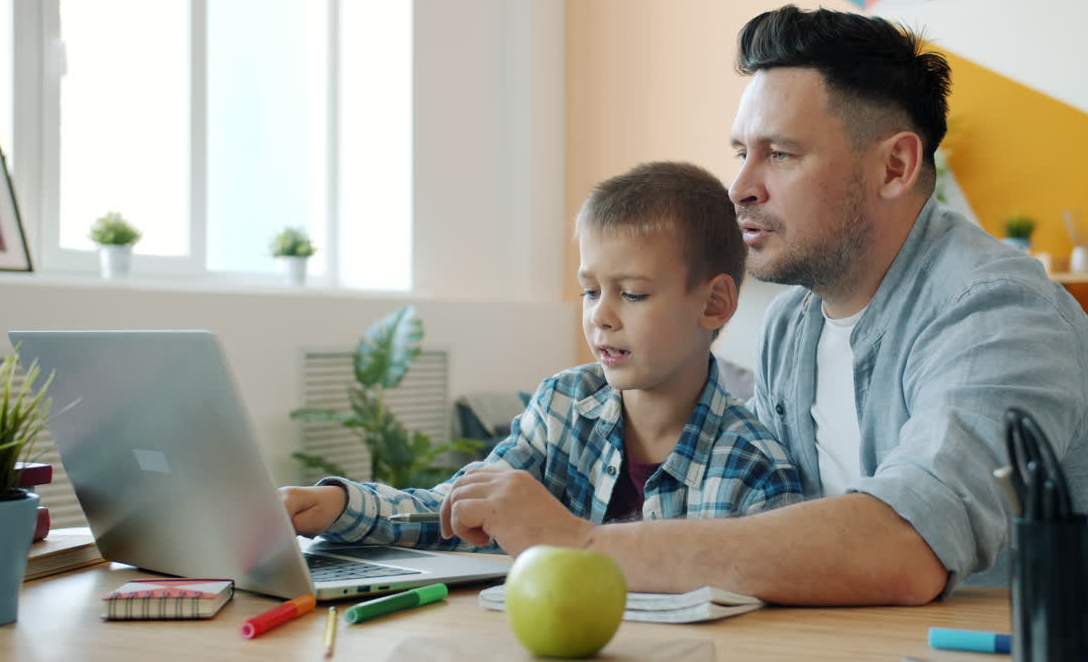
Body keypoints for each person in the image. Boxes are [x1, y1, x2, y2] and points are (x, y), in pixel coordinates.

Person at [437, 5, 1088, 603]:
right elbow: (760, 522)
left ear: (895, 165)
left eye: (780, 154)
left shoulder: (995, 309)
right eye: (741, 152)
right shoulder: (795, 323)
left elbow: (904, 550)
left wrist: (585, 544)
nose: (741, 188)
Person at [281, 161, 803, 549]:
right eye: (590, 291)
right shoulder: (562, 406)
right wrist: (339, 507)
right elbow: (460, 510)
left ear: (713, 304)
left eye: (633, 293)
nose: (601, 315)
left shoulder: (754, 466)